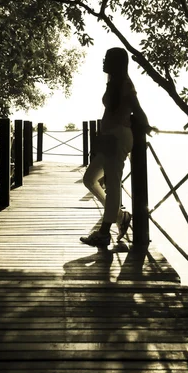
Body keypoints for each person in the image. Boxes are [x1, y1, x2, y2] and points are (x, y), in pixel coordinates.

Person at [80, 47, 150, 248]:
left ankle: (104, 233)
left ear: (117, 63)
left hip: (118, 138)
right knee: (89, 179)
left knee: (112, 186)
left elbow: (137, 110)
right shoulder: (113, 83)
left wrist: (146, 126)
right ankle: (120, 218)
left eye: (107, 58)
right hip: (108, 138)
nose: (103, 61)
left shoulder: (126, 85)